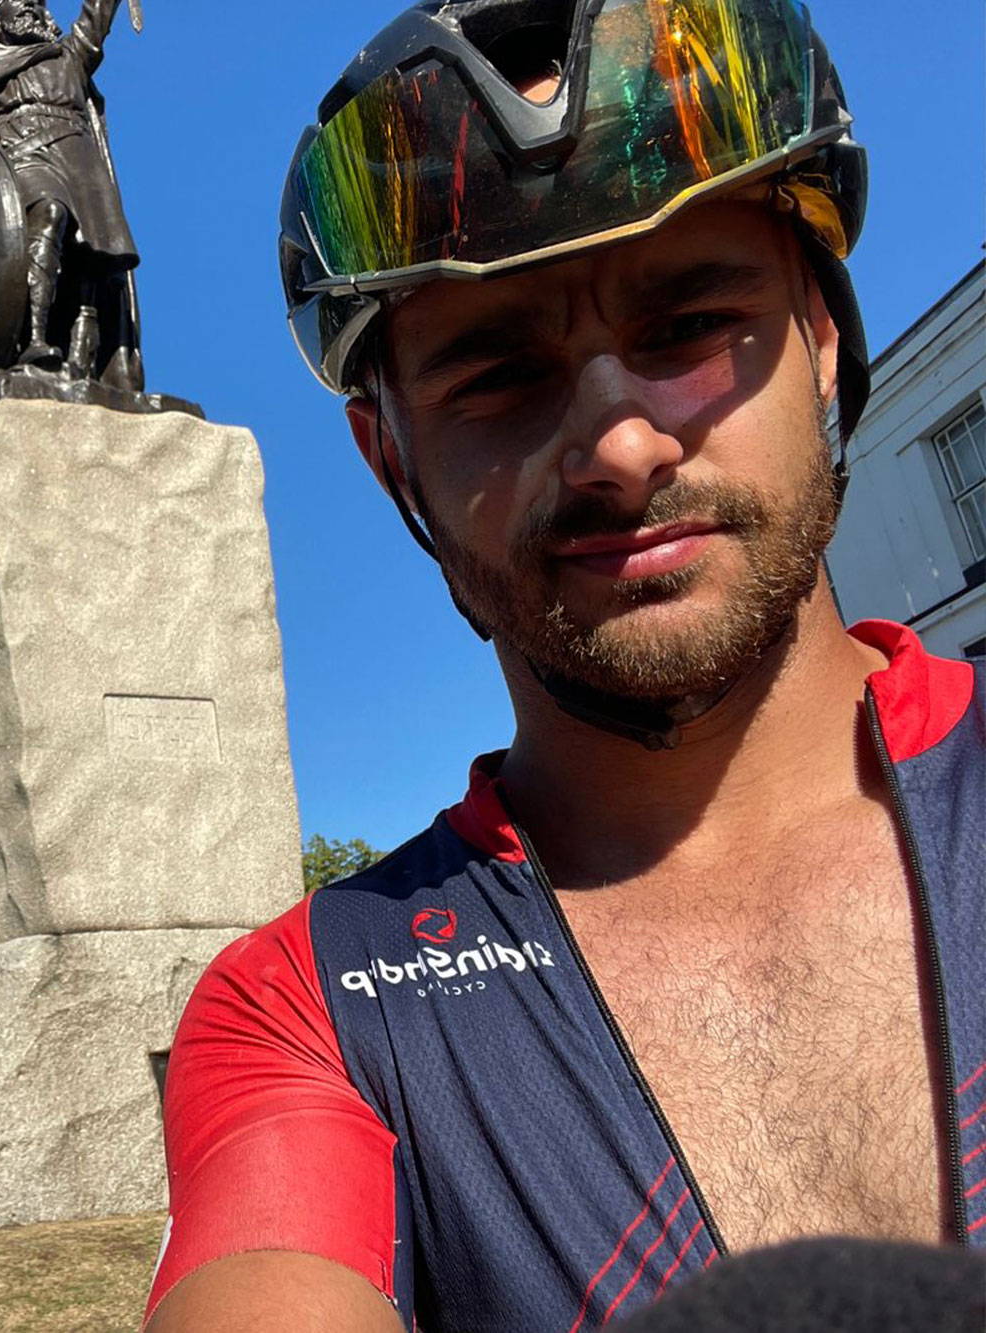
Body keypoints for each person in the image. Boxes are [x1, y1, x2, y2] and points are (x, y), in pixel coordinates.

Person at [148, 1, 985, 1330]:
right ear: (392, 463)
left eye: (690, 323)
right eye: (498, 373)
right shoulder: (308, 1006)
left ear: (823, 338)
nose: (621, 446)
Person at [0, 0, 144, 387]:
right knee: (48, 213)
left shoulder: (69, 56)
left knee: (91, 260)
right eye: (20, 4)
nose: (31, 8)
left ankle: (80, 366)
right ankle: (34, 337)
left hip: (80, 162)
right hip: (21, 154)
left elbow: (96, 18)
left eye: (36, 5)